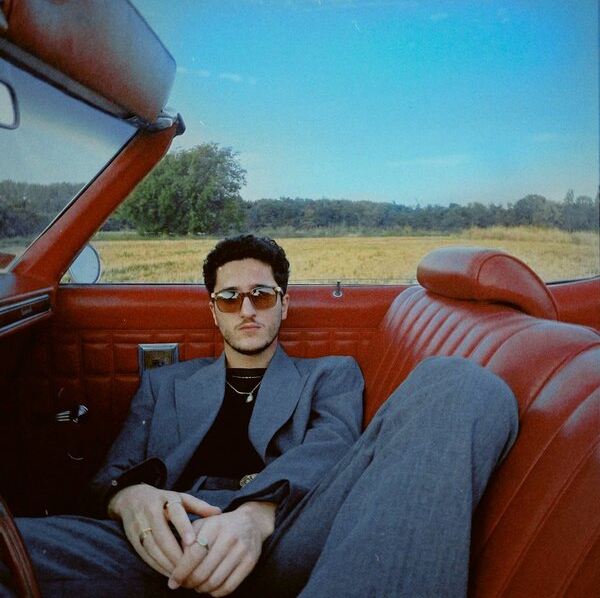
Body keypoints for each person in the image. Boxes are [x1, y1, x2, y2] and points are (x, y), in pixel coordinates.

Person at [1, 235, 518, 597]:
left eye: (262, 295)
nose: (246, 309)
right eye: (229, 298)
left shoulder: (330, 373)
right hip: (167, 543)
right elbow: (110, 475)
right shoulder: (167, 383)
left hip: (285, 533)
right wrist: (129, 499)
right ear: (213, 311)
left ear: (283, 305)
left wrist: (255, 515)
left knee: (457, 381)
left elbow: (332, 447)